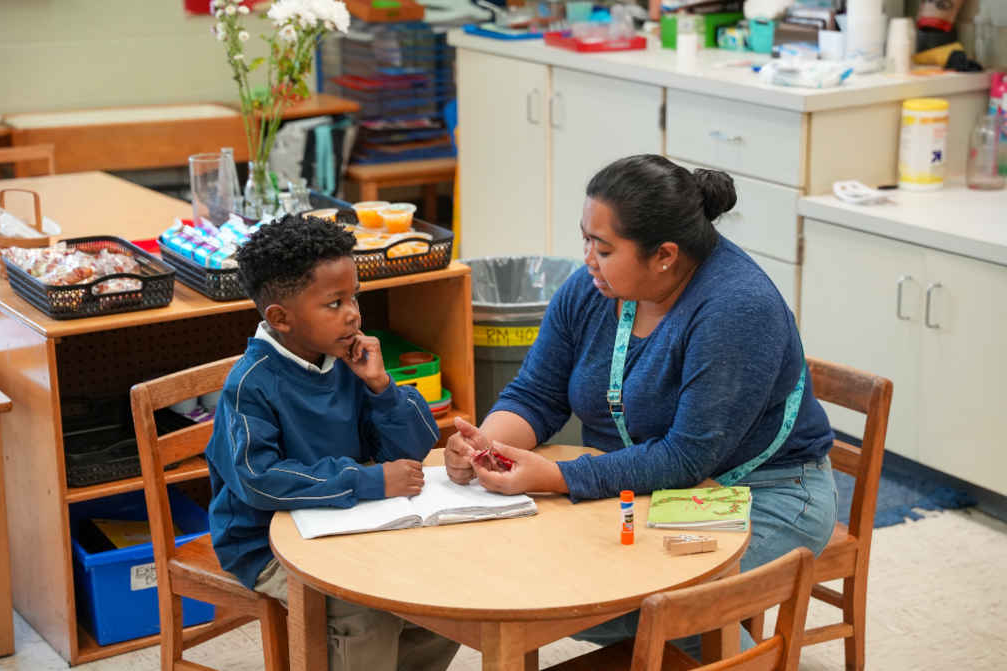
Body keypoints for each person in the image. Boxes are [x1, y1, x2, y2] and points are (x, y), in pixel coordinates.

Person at [445, 155, 837, 653]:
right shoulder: (595, 287)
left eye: (603, 247)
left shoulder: (737, 308)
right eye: (585, 238)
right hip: (642, 484)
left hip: (765, 489)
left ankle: (733, 653)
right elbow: (535, 395)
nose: (586, 257)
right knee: (539, 583)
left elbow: (685, 459)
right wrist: (487, 445)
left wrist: (556, 477)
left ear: (665, 255)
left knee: (650, 602)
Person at [205, 214, 460, 671]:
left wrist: (383, 388)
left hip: (347, 520)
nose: (353, 314)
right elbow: (259, 481)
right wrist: (366, 481)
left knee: (441, 593)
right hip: (263, 544)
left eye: (355, 297)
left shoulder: (347, 359)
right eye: (334, 303)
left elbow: (418, 445)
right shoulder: (249, 386)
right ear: (280, 318)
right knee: (365, 610)